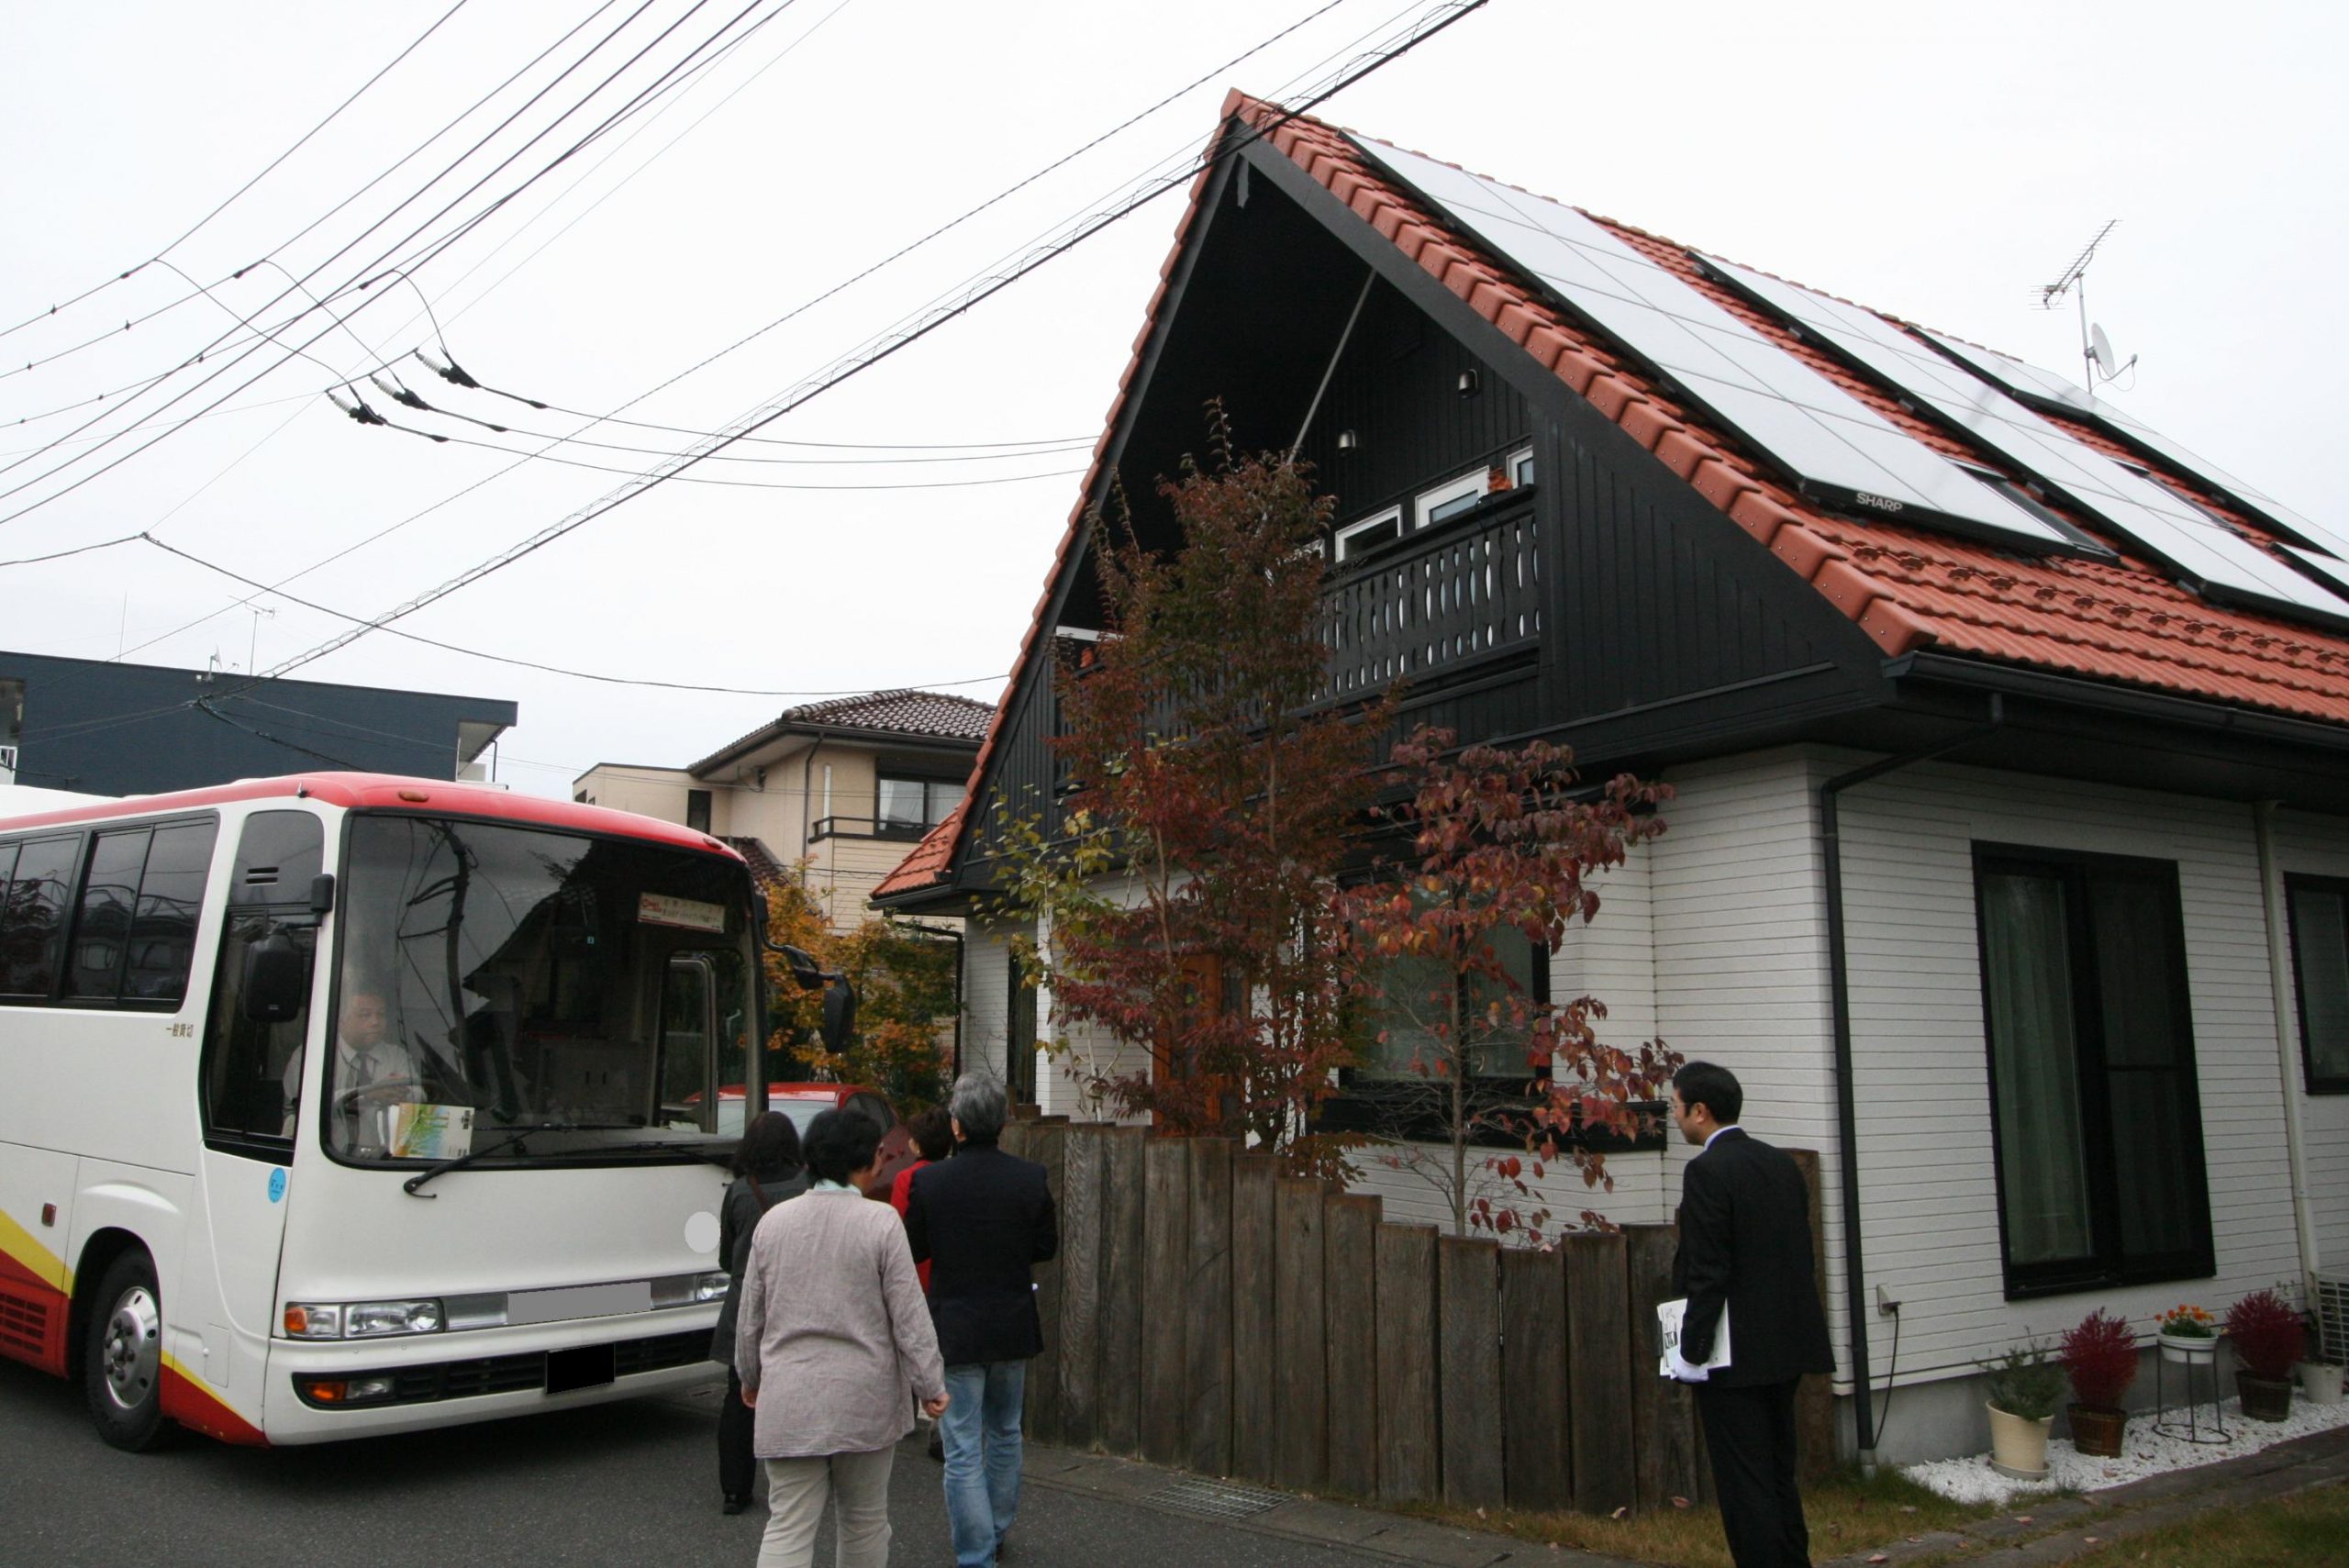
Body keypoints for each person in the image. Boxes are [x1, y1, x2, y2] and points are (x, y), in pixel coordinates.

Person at [737, 1108, 948, 1568]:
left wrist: (750, 1376)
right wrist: (930, 1384)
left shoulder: (774, 1223)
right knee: (865, 1521)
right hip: (865, 1397)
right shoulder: (881, 1222)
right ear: (866, 1159)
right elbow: (909, 1316)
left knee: (788, 1525)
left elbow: (750, 1316)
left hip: (790, 1395)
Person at [1665, 1061, 1834, 1568]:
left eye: (1675, 1106)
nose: (1673, 1117)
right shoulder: (1780, 1165)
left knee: (1745, 1484)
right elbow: (1800, 1257)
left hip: (1733, 1355)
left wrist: (1690, 1350)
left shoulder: (1707, 1171)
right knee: (1779, 1473)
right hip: (1786, 1344)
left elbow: (1708, 1268)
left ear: (1700, 1111)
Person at [902, 1074, 1058, 1568]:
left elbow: (916, 1248)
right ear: (1002, 1123)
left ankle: (976, 1552)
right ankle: (994, 1531)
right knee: (1006, 1432)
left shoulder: (930, 1180)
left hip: (958, 1324)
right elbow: (1044, 1247)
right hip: (1012, 1321)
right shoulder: (1030, 1177)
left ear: (957, 1126)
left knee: (962, 1444)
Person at [712, 1111, 811, 1515]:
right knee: (800, 1392)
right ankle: (800, 1482)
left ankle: (735, 1490)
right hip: (797, 1303)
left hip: (744, 1308)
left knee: (738, 1397)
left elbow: (725, 1257)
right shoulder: (809, 1187)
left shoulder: (738, 1192)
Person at [281, 984, 421, 1144]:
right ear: (341, 1021)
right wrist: (369, 1094)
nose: (375, 1022)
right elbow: (306, 1105)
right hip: (322, 1151)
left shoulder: (396, 1055)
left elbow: (421, 1094)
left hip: (383, 1157)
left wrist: (401, 1091)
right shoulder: (311, 1055)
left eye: (380, 1014)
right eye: (365, 1015)